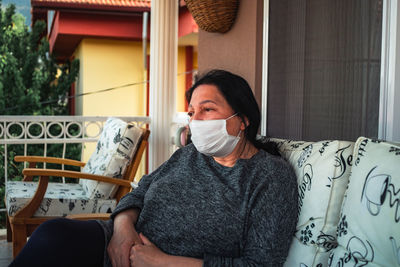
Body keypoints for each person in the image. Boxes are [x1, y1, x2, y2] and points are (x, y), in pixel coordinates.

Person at [10, 69, 298, 267]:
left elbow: (260, 263)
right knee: (53, 235)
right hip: (116, 247)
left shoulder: (270, 176)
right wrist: (122, 229)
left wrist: (162, 262)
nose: (195, 120)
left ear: (243, 118)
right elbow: (141, 190)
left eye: (207, 109)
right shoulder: (190, 155)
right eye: (191, 113)